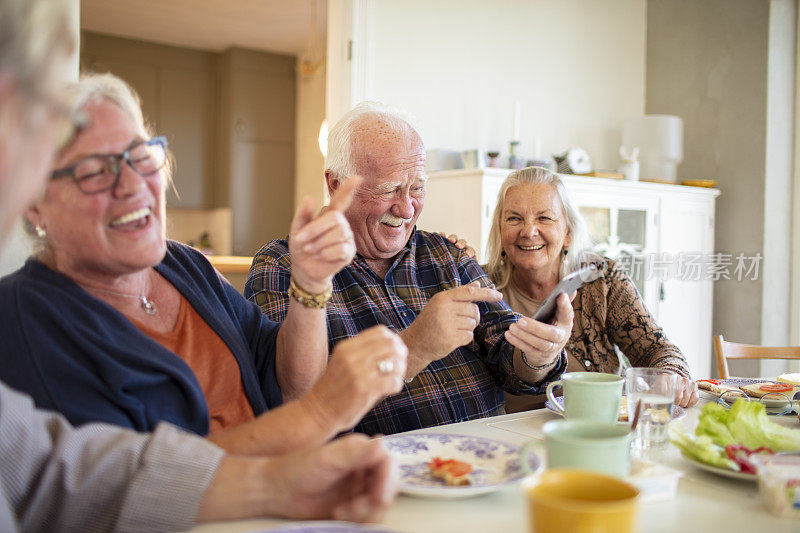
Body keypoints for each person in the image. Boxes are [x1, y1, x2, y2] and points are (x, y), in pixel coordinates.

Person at [0, 0, 398, 530]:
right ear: (33, 201)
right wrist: (319, 417)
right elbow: (113, 489)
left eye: (141, 157)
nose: (132, 184)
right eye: (96, 171)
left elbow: (284, 381)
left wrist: (310, 285)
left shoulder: (185, 266)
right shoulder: (25, 318)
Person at [246, 102, 573, 436]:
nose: (406, 208)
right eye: (388, 189)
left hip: (488, 456)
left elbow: (511, 363)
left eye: (416, 187)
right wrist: (413, 348)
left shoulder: (448, 255)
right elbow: (296, 401)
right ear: (334, 184)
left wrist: (539, 354)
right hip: (377, 470)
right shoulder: (284, 267)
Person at [482, 166, 697, 411]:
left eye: (544, 218)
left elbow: (655, 348)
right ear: (500, 229)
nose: (529, 231)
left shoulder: (602, 278)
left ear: (568, 234)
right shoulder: (481, 286)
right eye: (514, 218)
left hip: (604, 424)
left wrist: (671, 375)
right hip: (512, 433)